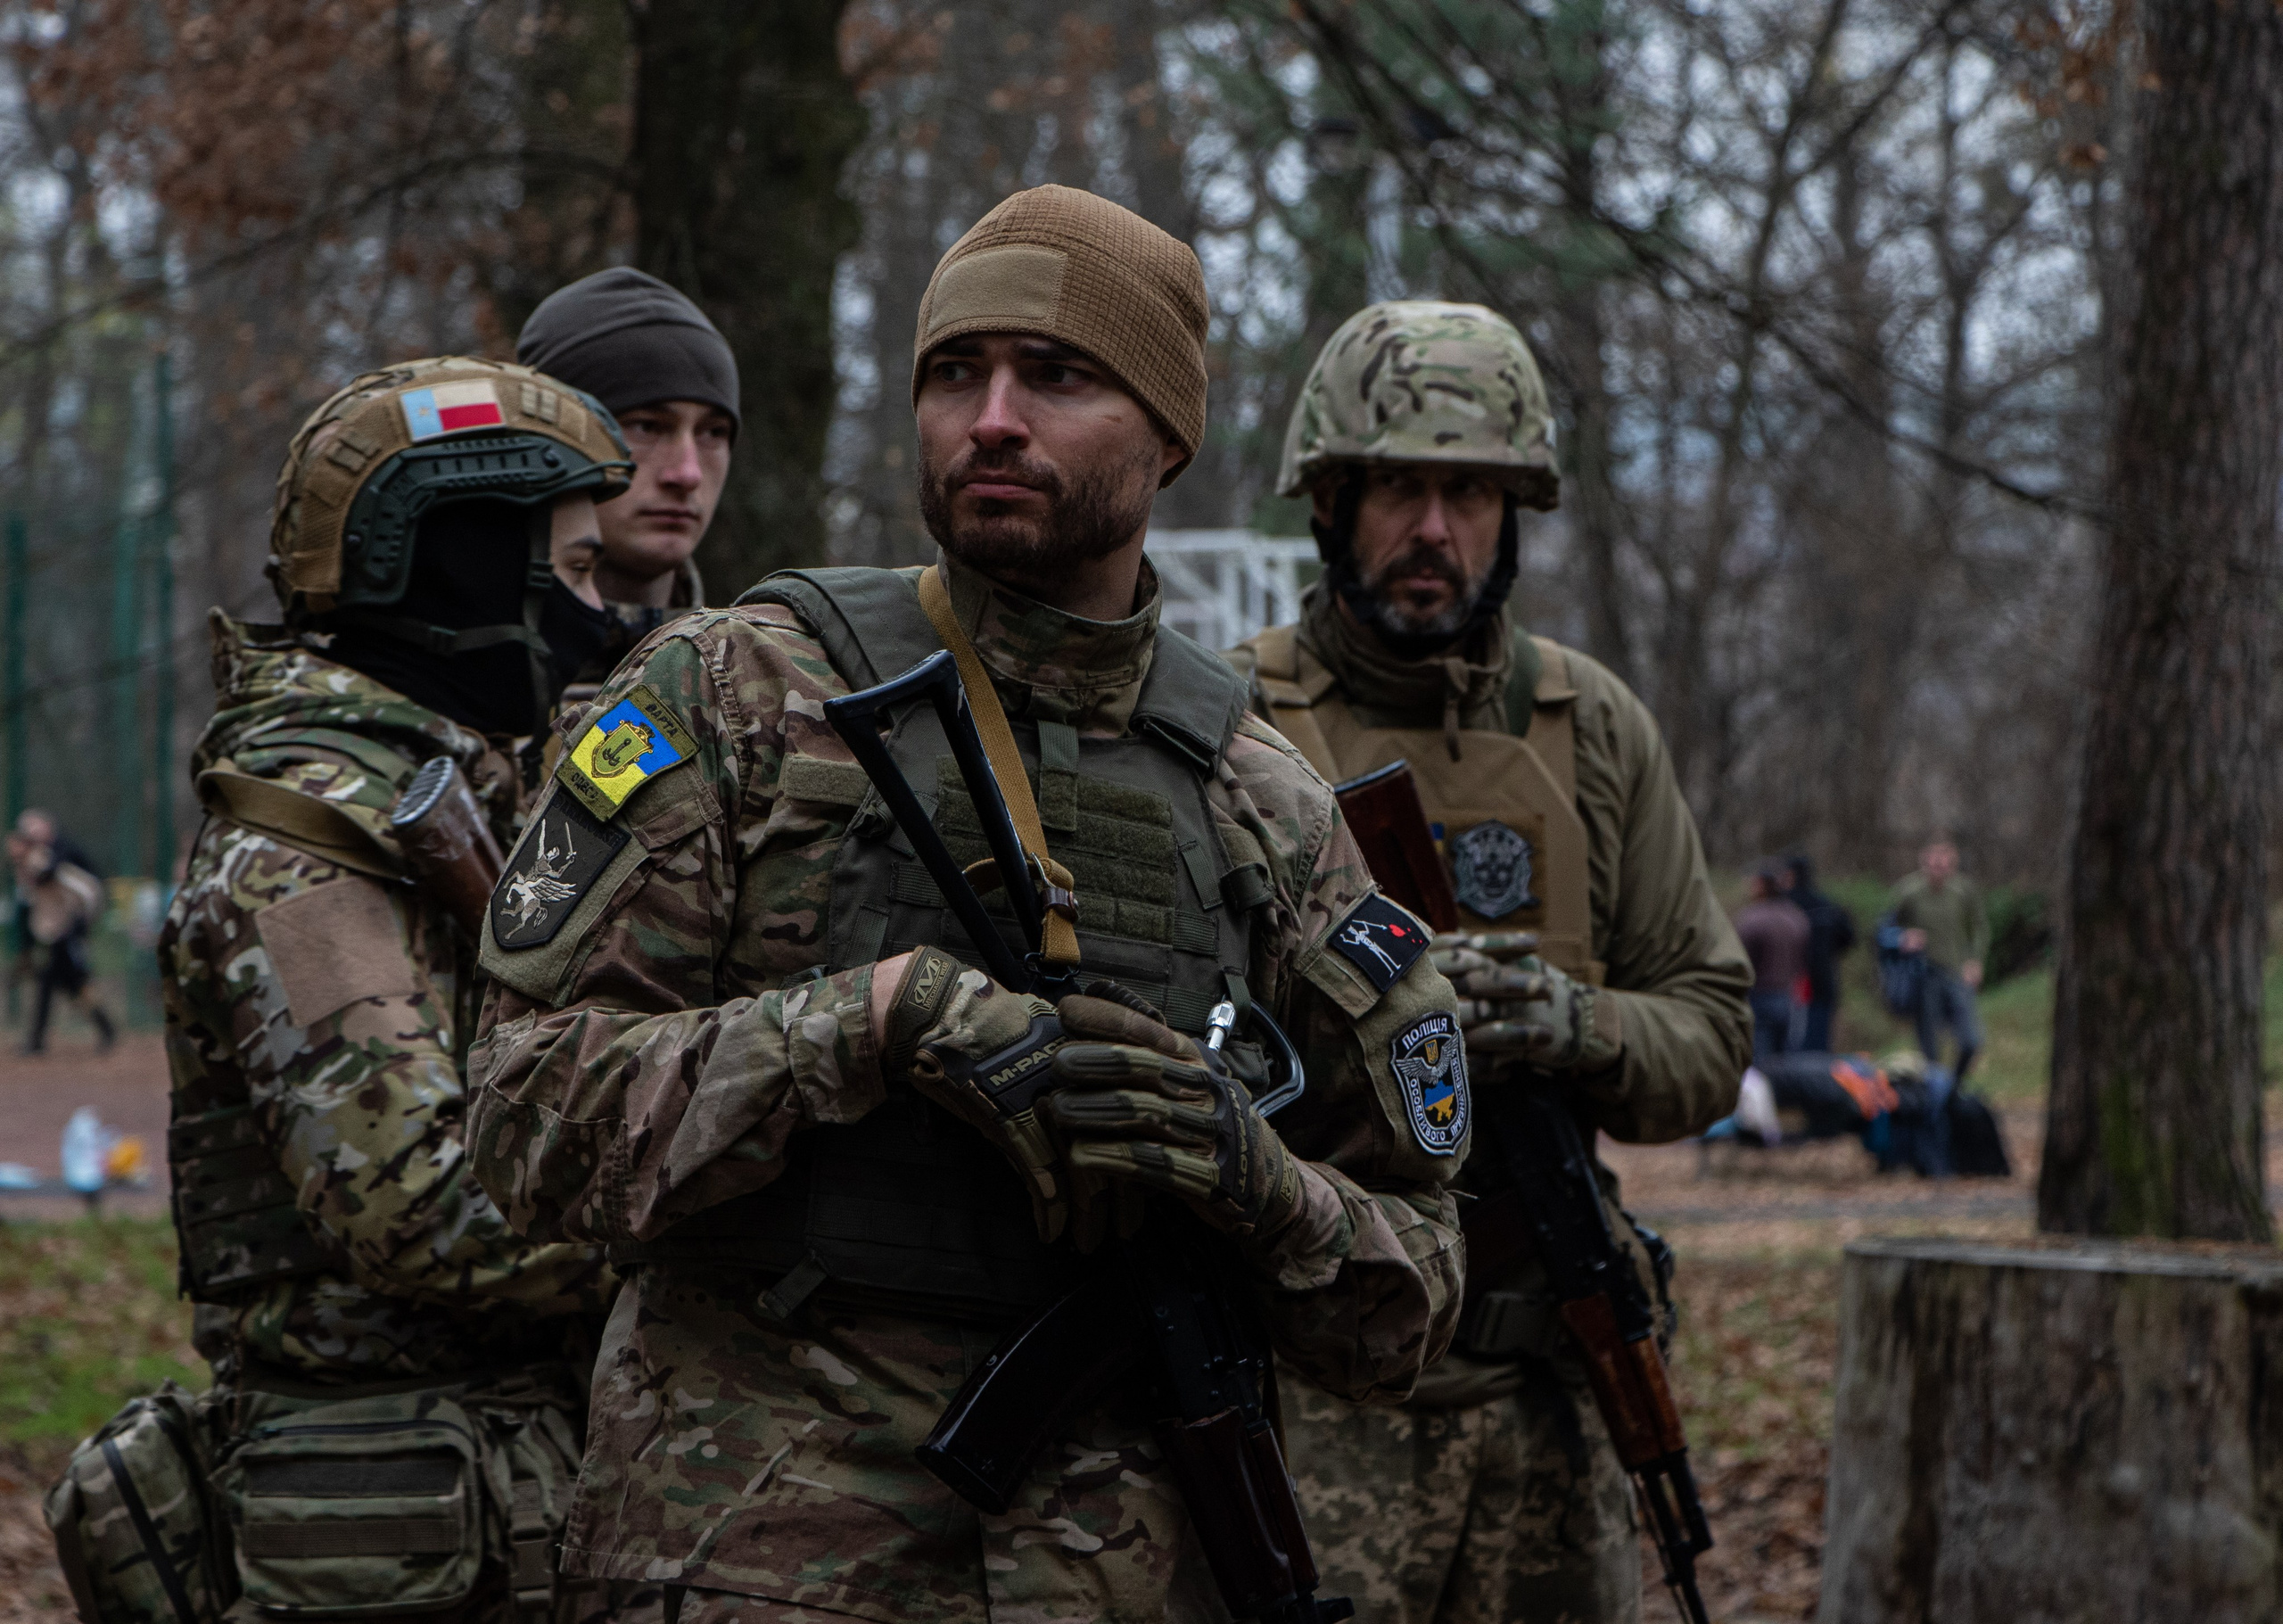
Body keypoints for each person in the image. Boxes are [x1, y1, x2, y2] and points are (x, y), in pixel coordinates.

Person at [466, 187, 1469, 1624]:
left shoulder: (1265, 803)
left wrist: (1251, 1176)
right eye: (955, 373)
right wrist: (870, 1023)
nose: (992, 419)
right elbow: (521, 1118)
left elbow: (1413, 1295)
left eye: (1055, 375)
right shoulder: (732, 694)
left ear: (1169, 433)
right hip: (754, 1561)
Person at [1226, 301, 1751, 1624]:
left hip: (1543, 1395)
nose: (1435, 530)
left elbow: (1710, 1033)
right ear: (1332, 503)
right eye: (1400, 490)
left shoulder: (1591, 728)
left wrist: (1574, 1024)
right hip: (1313, 1403)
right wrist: (1375, 1028)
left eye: (1470, 494)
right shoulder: (1227, 721)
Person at [149, 358, 643, 1620]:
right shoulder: (302, 858)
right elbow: (415, 1203)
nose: (602, 615)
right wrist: (706, 1215)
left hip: (480, 1487)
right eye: (577, 571)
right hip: (378, 1520)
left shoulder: (457, 802)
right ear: (466, 575)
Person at [515, 267, 738, 697]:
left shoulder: (760, 687)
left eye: (713, 432)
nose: (687, 474)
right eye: (646, 426)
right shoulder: (454, 682)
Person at [7, 824, 113, 1054]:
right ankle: (39, 1039)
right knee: (58, 984)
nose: (10, 850)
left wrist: (82, 922)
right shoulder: (24, 867)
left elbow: (84, 889)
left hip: (65, 932)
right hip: (53, 934)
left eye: (15, 845)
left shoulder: (41, 861)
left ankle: (104, 1029)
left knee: (70, 984)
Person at [1892, 836, 1989, 1078]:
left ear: (1953, 860)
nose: (1939, 862)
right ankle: (1935, 1093)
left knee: (1970, 1041)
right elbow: (1885, 929)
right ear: (1923, 858)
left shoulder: (1964, 890)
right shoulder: (1908, 892)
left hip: (1957, 974)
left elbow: (1980, 927)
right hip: (1924, 977)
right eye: (1934, 856)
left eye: (1945, 856)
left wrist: (1975, 960)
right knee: (1930, 1052)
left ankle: (1952, 1087)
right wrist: (1902, 938)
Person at [1735, 864, 1811, 1061]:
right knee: (1785, 1059)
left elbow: (1739, 963)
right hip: (1790, 998)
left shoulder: (1752, 919)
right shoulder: (1796, 917)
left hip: (1758, 997)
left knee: (1758, 1061)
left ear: (1761, 885)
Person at [1782, 852, 1856, 1051]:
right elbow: (1848, 937)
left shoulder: (1785, 906)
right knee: (1819, 1041)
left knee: (1793, 1044)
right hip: (1824, 980)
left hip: (1794, 984)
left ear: (1791, 874)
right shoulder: (1826, 904)